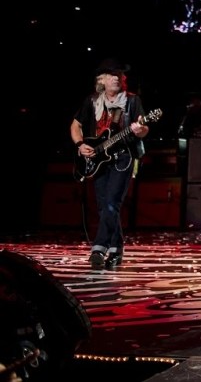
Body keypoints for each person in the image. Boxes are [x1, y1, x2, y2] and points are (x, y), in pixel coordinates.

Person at [70, 58, 150, 271]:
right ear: (102, 80)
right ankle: (116, 249)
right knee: (104, 206)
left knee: (112, 204)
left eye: (119, 75)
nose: (117, 78)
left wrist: (139, 130)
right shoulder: (92, 101)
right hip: (99, 159)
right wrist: (80, 144)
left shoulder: (132, 101)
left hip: (123, 157)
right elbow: (75, 126)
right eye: (112, 75)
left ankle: (99, 248)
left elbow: (144, 129)